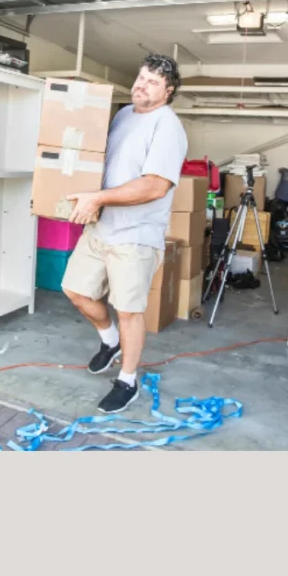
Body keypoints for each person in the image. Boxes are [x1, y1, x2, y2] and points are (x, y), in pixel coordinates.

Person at [62, 53, 188, 415]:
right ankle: (109, 341)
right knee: (75, 291)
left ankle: (128, 381)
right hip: (101, 225)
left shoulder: (167, 127)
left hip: (136, 236)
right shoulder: (121, 115)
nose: (141, 84)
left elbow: (154, 186)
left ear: (168, 91)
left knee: (129, 310)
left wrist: (98, 197)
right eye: (140, 76)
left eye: (152, 81)